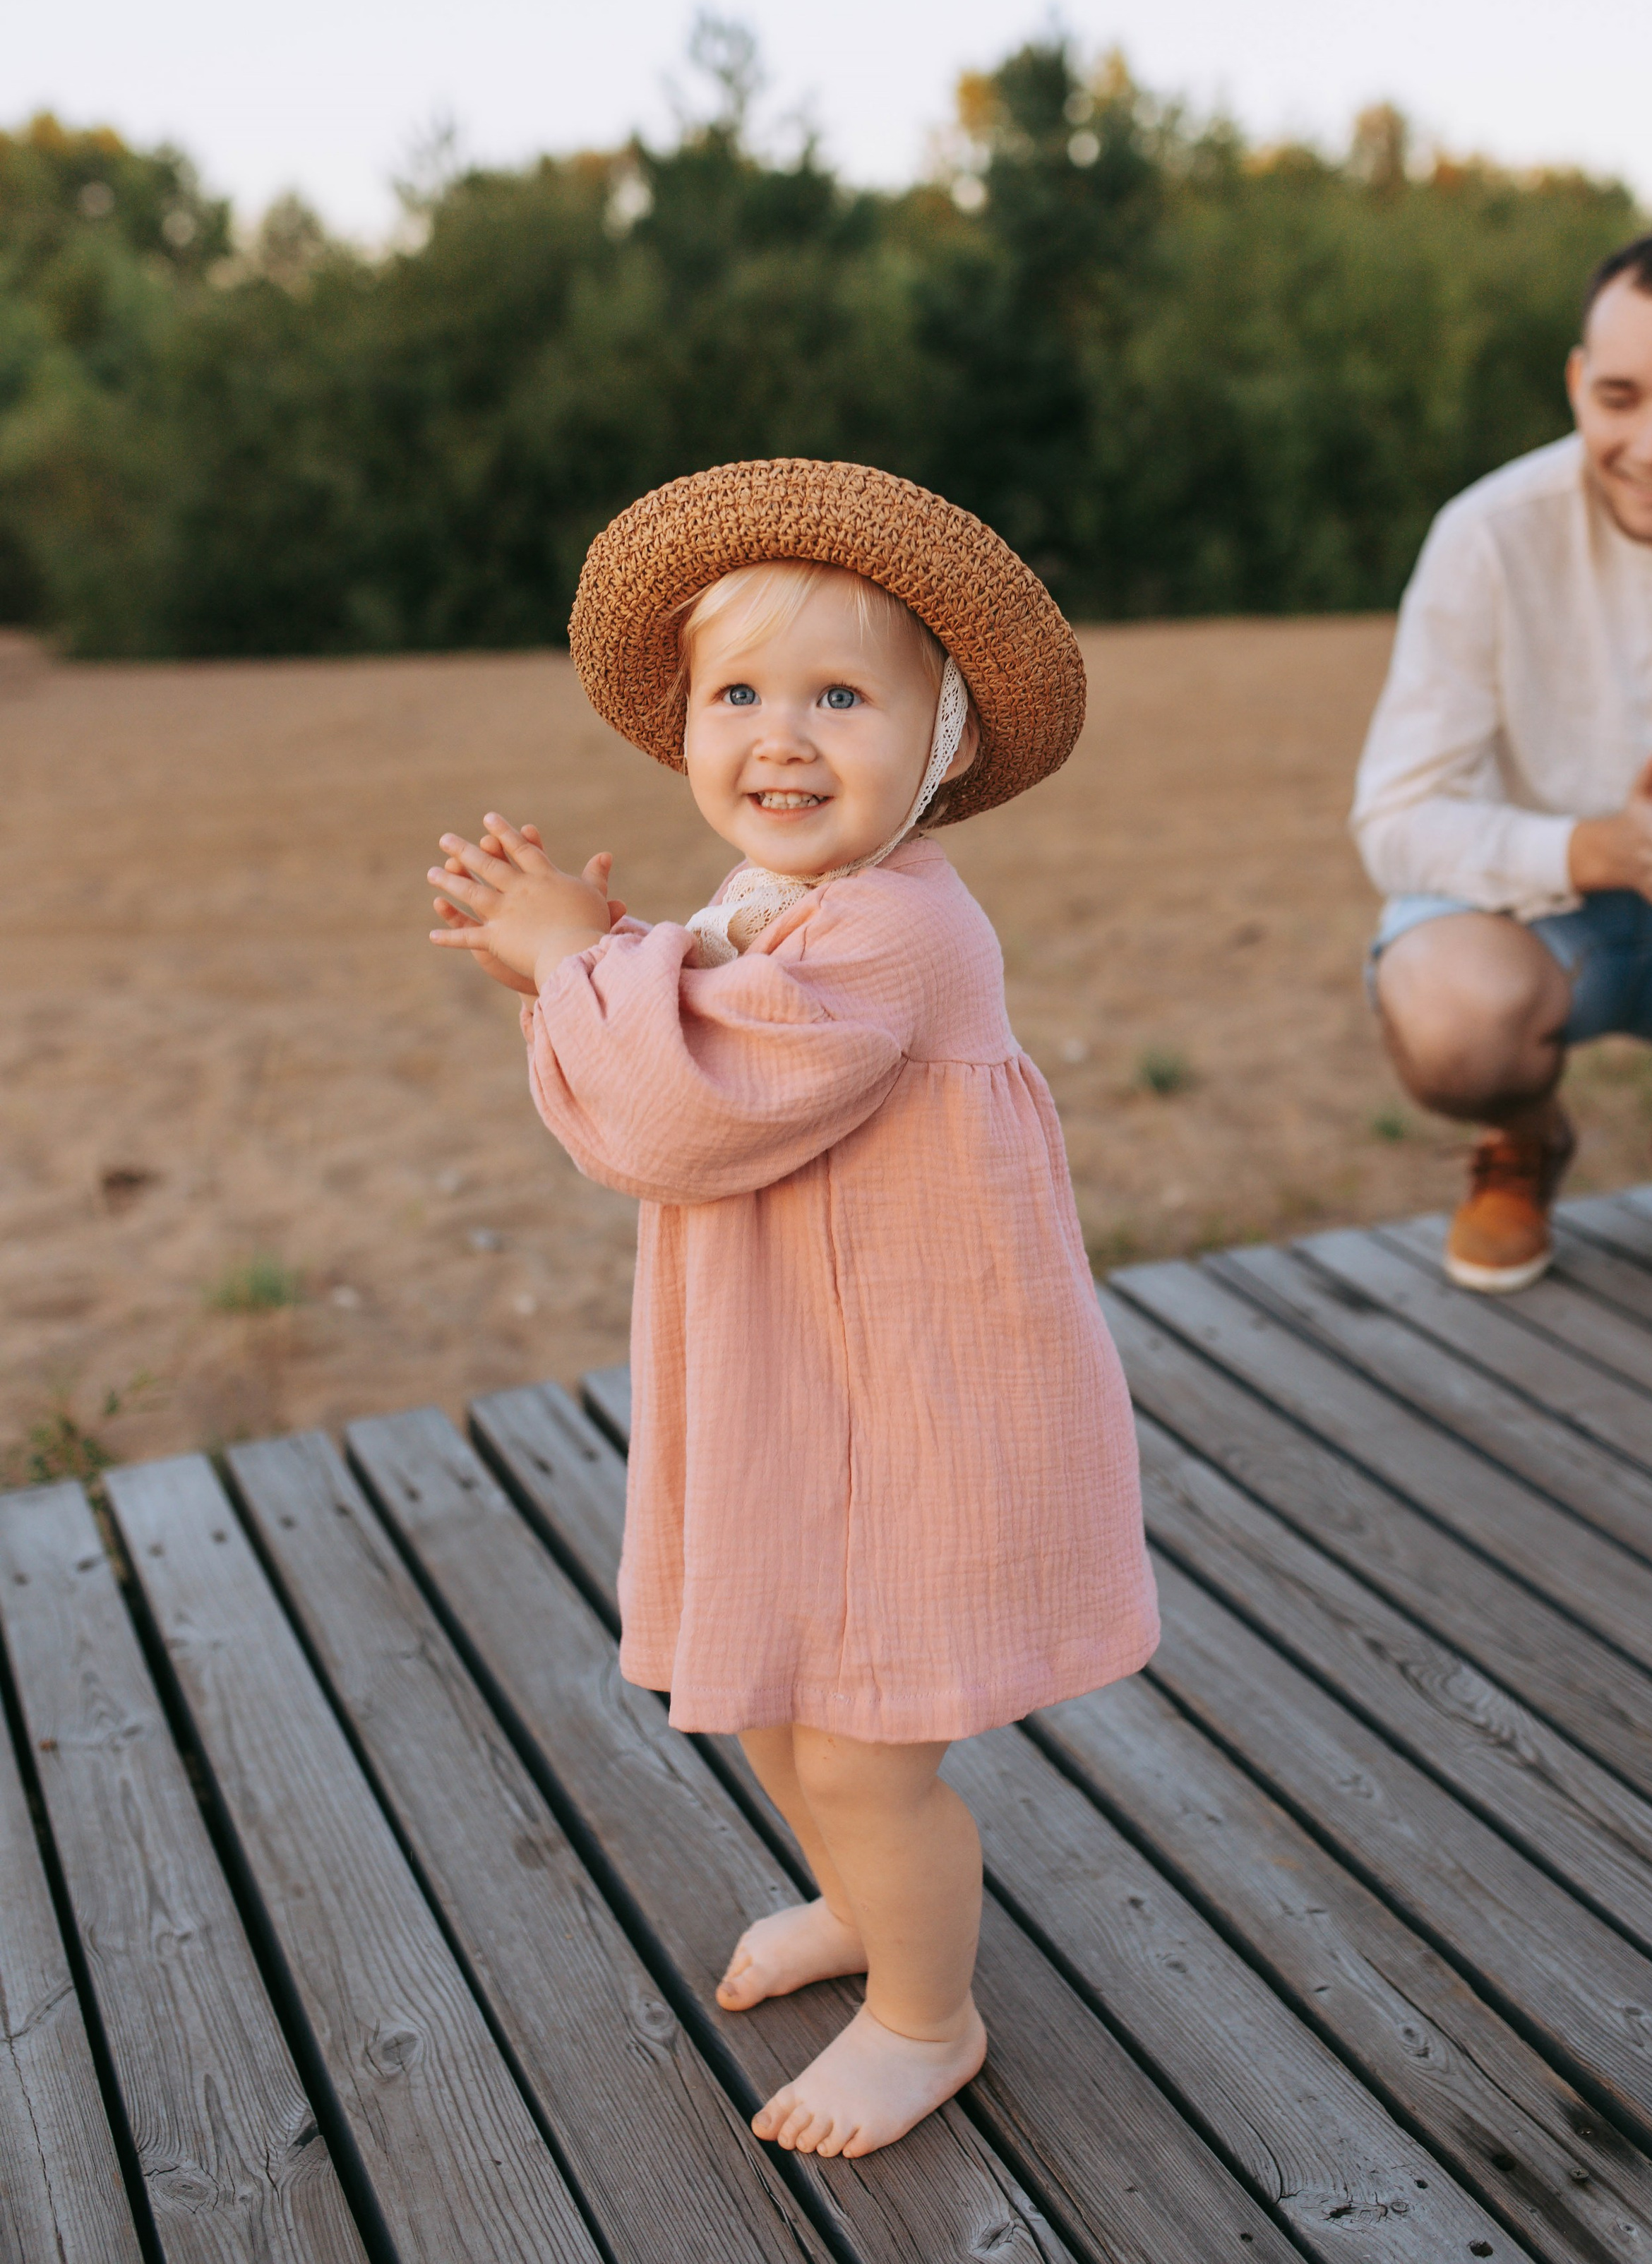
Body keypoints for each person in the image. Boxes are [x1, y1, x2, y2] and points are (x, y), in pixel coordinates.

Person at [424, 460, 1158, 2158]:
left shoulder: (899, 927)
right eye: (736, 694)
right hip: (802, 1386)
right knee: (765, 1688)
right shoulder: (777, 907)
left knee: (860, 1745)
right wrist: (619, 950)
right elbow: (705, 1009)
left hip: (914, 1402)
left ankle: (926, 2013)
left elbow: (680, 1112)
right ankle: (854, 1901)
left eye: (842, 697)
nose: (782, 735)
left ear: (942, 741)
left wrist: (568, 966)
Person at [1353, 224, 1652, 1300]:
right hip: (1534, 919)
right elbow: (1395, 817)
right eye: (1618, 397)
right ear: (1575, 383)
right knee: (1447, 1015)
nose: (1651, 442)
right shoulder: (1488, 535)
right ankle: (1522, 1139)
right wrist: (1585, 848)